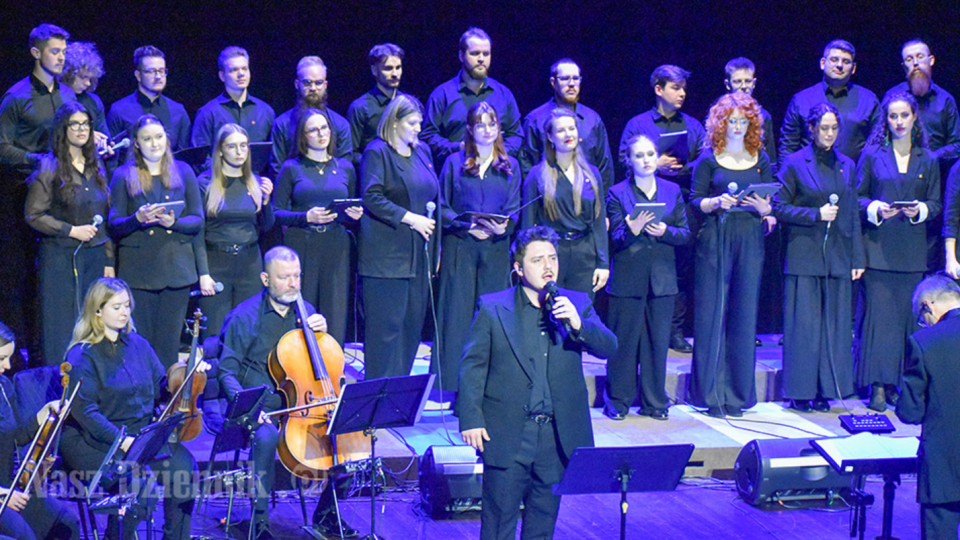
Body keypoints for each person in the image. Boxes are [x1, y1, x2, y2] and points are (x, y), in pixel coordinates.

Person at [459, 225, 617, 540]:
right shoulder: (493, 307)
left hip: (556, 437)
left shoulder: (576, 302)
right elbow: (472, 366)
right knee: (498, 525)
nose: (548, 266)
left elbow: (609, 347)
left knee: (542, 527)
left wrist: (578, 324)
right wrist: (471, 418)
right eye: (537, 260)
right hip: (508, 433)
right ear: (518, 269)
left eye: (552, 258)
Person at [215, 246, 355, 539]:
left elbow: (321, 364)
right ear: (266, 279)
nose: (293, 284)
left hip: (302, 405)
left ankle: (327, 514)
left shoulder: (308, 313)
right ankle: (259, 521)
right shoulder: (243, 317)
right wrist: (251, 410)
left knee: (347, 437)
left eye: (297, 276)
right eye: (284, 278)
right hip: (260, 407)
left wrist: (322, 334)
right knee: (266, 438)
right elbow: (226, 372)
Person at [60, 277, 205, 539]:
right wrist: (122, 440)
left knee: (185, 470)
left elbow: (161, 386)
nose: (124, 312)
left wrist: (187, 374)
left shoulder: (139, 345)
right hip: (101, 442)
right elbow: (86, 413)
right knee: (140, 491)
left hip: (142, 436)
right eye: (116, 307)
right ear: (97, 311)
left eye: (127, 305)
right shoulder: (82, 356)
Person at [773, 103, 864, 412]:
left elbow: (851, 214)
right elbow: (778, 207)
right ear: (811, 128)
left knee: (833, 328)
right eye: (824, 128)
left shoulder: (847, 164)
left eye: (834, 129)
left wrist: (857, 258)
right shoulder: (794, 163)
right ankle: (800, 393)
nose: (829, 134)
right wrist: (815, 214)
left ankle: (825, 390)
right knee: (804, 328)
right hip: (804, 256)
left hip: (837, 256)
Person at [689, 92, 775, 418]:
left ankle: (737, 395)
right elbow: (695, 199)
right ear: (721, 123)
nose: (737, 127)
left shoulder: (760, 158)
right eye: (732, 121)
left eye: (743, 121)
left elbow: (770, 202)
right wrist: (714, 202)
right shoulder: (709, 158)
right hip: (716, 236)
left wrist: (766, 209)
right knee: (712, 315)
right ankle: (710, 394)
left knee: (743, 314)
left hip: (749, 237)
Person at [855, 92, 941, 412]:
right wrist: (876, 208)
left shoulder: (927, 159)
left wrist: (920, 210)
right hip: (878, 250)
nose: (899, 122)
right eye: (893, 116)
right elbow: (857, 197)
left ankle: (898, 385)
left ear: (914, 117)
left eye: (904, 115)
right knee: (880, 323)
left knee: (907, 323)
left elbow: (936, 203)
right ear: (886, 120)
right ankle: (878, 386)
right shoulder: (872, 155)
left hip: (912, 253)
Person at [431, 101, 521, 401]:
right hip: (461, 247)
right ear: (470, 129)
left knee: (491, 317)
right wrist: (466, 225)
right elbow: (442, 206)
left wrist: (503, 227)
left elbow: (514, 208)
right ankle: (453, 390)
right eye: (480, 124)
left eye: (492, 124)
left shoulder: (509, 165)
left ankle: (489, 388)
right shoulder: (454, 163)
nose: (487, 130)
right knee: (456, 318)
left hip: (495, 250)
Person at [0, 23, 75, 365]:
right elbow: (2, 146)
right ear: (35, 53)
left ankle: (54, 349)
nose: (61, 58)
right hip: (20, 195)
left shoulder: (68, 95)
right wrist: (37, 160)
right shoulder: (16, 97)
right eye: (54, 51)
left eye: (63, 52)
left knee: (52, 274)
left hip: (59, 196)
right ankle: (20, 355)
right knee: (20, 276)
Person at [618, 64, 705, 354]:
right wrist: (654, 165)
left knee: (680, 270)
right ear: (659, 89)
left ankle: (674, 331)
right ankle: (641, 329)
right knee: (642, 264)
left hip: (682, 204)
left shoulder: (693, 125)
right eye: (675, 88)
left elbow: (705, 162)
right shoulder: (638, 123)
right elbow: (622, 159)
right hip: (642, 202)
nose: (682, 94)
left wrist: (679, 168)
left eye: (683, 88)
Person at [603, 134, 690, 421]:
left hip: (662, 280)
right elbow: (615, 238)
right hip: (627, 279)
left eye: (650, 154)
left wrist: (666, 231)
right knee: (624, 345)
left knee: (656, 345)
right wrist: (632, 229)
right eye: (639, 156)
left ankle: (655, 402)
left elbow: (684, 233)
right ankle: (618, 401)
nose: (646, 160)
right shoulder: (617, 192)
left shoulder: (672, 190)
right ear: (628, 160)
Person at [108, 114, 203, 369]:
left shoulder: (183, 171)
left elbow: (198, 219)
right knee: (141, 343)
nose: (154, 143)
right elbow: (114, 223)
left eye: (159, 137)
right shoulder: (123, 175)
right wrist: (137, 218)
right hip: (140, 272)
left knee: (169, 345)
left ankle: (166, 392)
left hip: (176, 270)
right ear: (136, 143)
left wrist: (175, 223)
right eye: (147, 139)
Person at [25, 101, 114, 365]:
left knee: (95, 322)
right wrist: (71, 230)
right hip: (61, 258)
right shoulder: (49, 166)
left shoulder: (97, 165)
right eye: (74, 124)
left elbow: (104, 217)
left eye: (85, 124)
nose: (81, 129)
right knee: (62, 327)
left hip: (95, 256)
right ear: (63, 129)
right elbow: (33, 215)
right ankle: (60, 382)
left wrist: (109, 260)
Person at [359, 94, 439, 380]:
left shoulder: (422, 152)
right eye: (412, 123)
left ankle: (399, 396)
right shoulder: (377, 152)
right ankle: (375, 397)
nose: (418, 129)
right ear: (394, 122)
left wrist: (436, 251)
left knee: (409, 330)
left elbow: (433, 199)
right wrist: (410, 218)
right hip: (387, 259)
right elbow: (372, 196)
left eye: (419, 123)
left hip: (418, 258)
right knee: (386, 333)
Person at [273, 108, 362, 346]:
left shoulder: (345, 167)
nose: (321, 134)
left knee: (335, 308)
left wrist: (354, 215)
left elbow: (351, 205)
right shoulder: (292, 167)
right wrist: (306, 216)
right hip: (302, 243)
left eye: (324, 128)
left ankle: (334, 362)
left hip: (336, 243)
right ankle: (298, 361)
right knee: (303, 306)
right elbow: (275, 212)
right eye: (313, 130)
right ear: (303, 136)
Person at [0, 321, 81, 540]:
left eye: (9, 358)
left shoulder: (4, 387)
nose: (7, 365)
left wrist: (44, 413)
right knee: (26, 536)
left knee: (67, 522)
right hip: (2, 494)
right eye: (1, 358)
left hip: (11, 487)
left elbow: (16, 437)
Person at [195, 123, 274, 339]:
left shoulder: (255, 181)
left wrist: (266, 202)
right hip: (217, 262)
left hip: (249, 262)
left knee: (247, 331)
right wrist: (204, 274)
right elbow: (197, 233)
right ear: (221, 150)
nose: (239, 152)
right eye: (232, 146)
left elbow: (267, 226)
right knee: (214, 333)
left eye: (244, 145)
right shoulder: (205, 183)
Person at [898, 275, 960, 540]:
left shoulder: (924, 342)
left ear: (928, 305)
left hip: (944, 468)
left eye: (922, 318)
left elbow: (910, 412)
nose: (924, 324)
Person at [521, 108, 608, 297]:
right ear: (550, 137)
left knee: (581, 310)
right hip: (551, 254)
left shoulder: (592, 173)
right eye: (561, 130)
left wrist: (603, 264)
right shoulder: (537, 175)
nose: (568, 134)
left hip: (585, 255)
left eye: (572, 128)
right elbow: (527, 226)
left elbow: (599, 221)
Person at [421, 27, 522, 168]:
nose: (481, 59)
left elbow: (516, 135)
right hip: (456, 171)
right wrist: (460, 148)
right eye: (475, 53)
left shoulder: (504, 94)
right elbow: (428, 136)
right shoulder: (442, 95)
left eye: (486, 54)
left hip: (496, 171)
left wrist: (497, 154)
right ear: (461, 55)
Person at [779, 39, 879, 167]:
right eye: (834, 60)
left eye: (846, 61)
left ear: (853, 68)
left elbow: (877, 145)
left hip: (854, 177)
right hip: (807, 178)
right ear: (822, 63)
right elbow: (787, 147)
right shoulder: (801, 100)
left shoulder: (869, 100)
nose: (839, 65)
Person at [520, 58, 614, 191]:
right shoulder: (535, 120)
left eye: (576, 78)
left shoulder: (592, 119)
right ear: (553, 82)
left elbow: (604, 166)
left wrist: (599, 198)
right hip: (549, 196)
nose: (571, 84)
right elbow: (527, 166)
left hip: (587, 197)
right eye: (565, 79)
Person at [191, 46, 275, 173]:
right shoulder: (207, 113)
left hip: (256, 182)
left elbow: (273, 157)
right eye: (234, 70)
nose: (241, 74)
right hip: (220, 182)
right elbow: (200, 159)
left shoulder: (266, 112)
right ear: (222, 76)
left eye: (244, 68)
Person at [269, 56, 352, 177]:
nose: (313, 88)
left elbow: (345, 169)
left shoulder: (341, 124)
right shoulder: (281, 124)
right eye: (307, 83)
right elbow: (277, 169)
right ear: (297, 84)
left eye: (318, 83)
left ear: (325, 85)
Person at [106, 46, 192, 160]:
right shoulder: (119, 111)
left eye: (162, 71)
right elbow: (111, 159)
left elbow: (184, 158)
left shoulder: (178, 111)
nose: (158, 76)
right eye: (151, 71)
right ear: (138, 75)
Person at [884, 40, 960, 165]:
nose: (915, 63)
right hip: (896, 170)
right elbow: (880, 137)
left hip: (935, 170)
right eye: (909, 59)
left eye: (920, 57)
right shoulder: (892, 97)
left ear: (931, 60)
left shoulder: (945, 100)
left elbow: (957, 145)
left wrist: (930, 158)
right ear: (904, 66)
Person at [347, 43, 404, 167]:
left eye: (398, 67)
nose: (395, 74)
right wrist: (376, 162)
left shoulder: (408, 104)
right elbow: (350, 153)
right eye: (388, 68)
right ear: (374, 70)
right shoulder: (360, 108)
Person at [723, 57, 777, 172]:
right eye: (737, 81)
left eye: (748, 81)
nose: (743, 86)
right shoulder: (720, 115)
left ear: (754, 83)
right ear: (728, 84)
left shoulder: (763, 116)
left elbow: (770, 158)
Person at [61, 41, 110, 151]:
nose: (88, 83)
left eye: (90, 79)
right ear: (68, 73)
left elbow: (104, 135)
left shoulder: (94, 101)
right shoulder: (54, 98)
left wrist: (106, 148)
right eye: (83, 77)